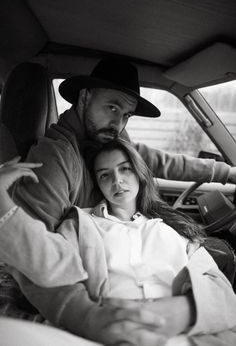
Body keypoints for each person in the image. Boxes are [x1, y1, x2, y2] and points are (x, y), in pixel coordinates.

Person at [2, 56, 236, 340]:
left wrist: (226, 173)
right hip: (97, 280)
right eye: (112, 107)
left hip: (143, 259)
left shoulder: (106, 136)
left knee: (217, 257)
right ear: (85, 97)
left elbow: (157, 160)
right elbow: (31, 252)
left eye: (126, 115)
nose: (119, 122)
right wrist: (85, 315)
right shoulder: (54, 158)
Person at [1, 141, 236, 346]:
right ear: (98, 183)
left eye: (125, 169)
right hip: (110, 334)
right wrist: (4, 206)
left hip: (188, 334)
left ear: (139, 174)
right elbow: (46, 259)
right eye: (105, 175)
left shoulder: (173, 226)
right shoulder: (82, 223)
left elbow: (220, 288)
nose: (117, 181)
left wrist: (188, 310)